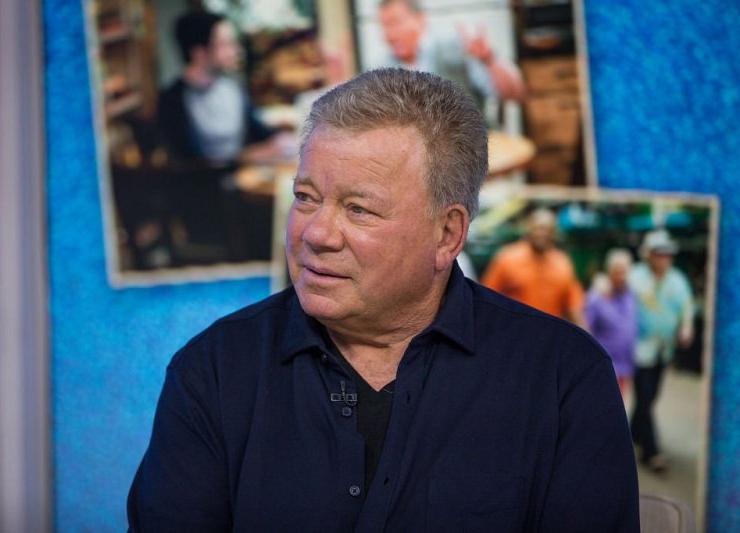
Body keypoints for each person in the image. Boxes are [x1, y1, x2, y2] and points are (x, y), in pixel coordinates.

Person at [127, 68, 638, 531]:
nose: (317, 233)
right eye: (305, 198)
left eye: (359, 209)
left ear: (447, 234)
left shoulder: (563, 377)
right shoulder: (211, 372)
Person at [157, 10, 293, 164]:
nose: (235, 50)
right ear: (199, 52)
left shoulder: (231, 89)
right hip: (207, 185)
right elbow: (191, 162)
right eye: (225, 43)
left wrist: (282, 140)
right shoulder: (172, 100)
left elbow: (259, 131)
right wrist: (246, 157)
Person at [375, 0, 524, 117]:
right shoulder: (382, 70)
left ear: (421, 19)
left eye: (395, 23)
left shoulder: (459, 47)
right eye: (384, 26)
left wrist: (488, 59)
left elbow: (515, 93)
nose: (389, 35)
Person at [629, 229, 694, 473]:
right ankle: (651, 451)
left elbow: (686, 306)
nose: (664, 258)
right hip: (639, 348)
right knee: (645, 398)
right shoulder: (634, 277)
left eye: (668, 254)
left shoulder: (677, 280)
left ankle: (633, 432)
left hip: (663, 350)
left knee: (650, 396)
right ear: (648, 255)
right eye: (659, 253)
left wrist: (686, 327)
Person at [480, 208, 587, 328]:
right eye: (539, 228)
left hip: (548, 335)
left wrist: (588, 338)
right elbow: (486, 299)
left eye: (548, 229)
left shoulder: (562, 263)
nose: (543, 233)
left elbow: (574, 307)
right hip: (514, 333)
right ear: (528, 228)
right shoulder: (507, 258)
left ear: (555, 233)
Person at [585, 248, 637, 395]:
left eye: (625, 271)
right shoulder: (596, 297)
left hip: (625, 367)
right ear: (609, 271)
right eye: (618, 271)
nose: (622, 276)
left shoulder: (631, 294)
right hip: (604, 368)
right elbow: (586, 330)